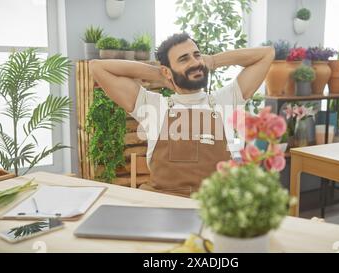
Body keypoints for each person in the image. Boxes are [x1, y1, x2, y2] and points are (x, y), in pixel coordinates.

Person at [90, 32, 275, 197]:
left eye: (197, 55)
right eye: (184, 59)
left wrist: (214, 61)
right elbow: (97, 67)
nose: (195, 62)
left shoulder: (224, 100)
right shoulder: (152, 106)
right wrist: (160, 75)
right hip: (163, 208)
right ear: (167, 70)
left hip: (213, 210)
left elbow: (266, 54)